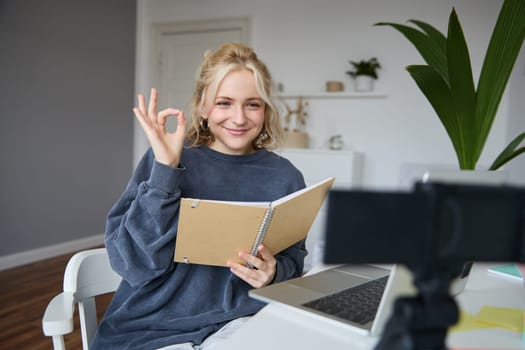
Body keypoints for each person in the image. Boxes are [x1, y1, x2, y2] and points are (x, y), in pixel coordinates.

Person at [90, 42, 307, 349]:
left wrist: (274, 272)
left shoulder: (285, 176)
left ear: (266, 109)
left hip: (243, 322)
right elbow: (133, 265)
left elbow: (293, 258)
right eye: (224, 103)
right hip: (154, 328)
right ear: (202, 106)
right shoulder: (166, 160)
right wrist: (166, 170)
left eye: (253, 104)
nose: (239, 118)